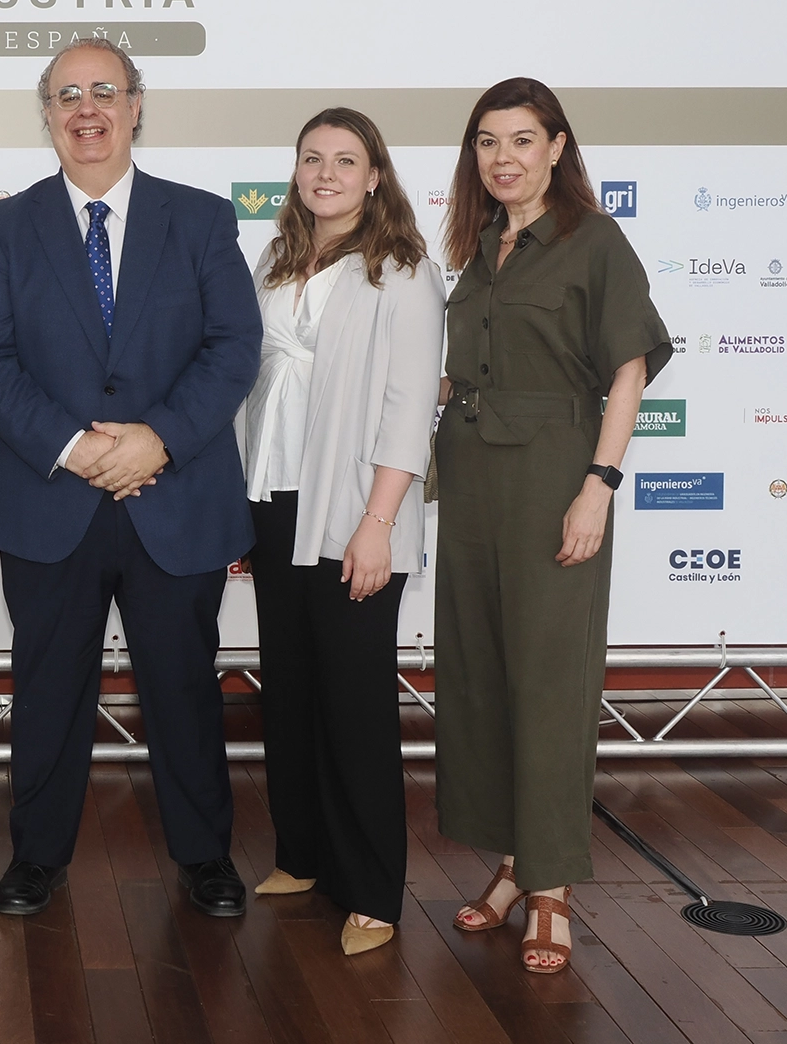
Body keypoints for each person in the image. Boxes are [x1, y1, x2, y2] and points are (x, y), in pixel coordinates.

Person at [0, 39, 262, 918]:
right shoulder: (5, 226)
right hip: (51, 498)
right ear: (47, 114)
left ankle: (205, 855)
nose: (86, 109)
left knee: (182, 686)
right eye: (66, 95)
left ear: (137, 105)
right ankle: (37, 856)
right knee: (50, 686)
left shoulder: (201, 219)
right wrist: (75, 447)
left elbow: (232, 347)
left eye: (104, 91)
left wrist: (156, 440)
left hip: (175, 497)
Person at [434, 77, 670, 973]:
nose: (504, 158)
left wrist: (598, 485)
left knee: (549, 683)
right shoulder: (481, 247)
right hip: (472, 481)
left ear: (558, 148)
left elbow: (628, 370)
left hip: (552, 479)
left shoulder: (595, 241)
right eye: (488, 142)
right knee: (482, 674)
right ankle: (509, 861)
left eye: (523, 140)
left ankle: (554, 887)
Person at [244, 108, 443, 955]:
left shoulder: (402, 270)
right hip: (274, 498)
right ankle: (303, 856)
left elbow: (408, 410)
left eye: (345, 159)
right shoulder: (278, 257)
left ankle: (372, 891)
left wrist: (378, 523)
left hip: (356, 510)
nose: (325, 172)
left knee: (356, 704)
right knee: (289, 689)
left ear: (374, 175)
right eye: (312, 158)